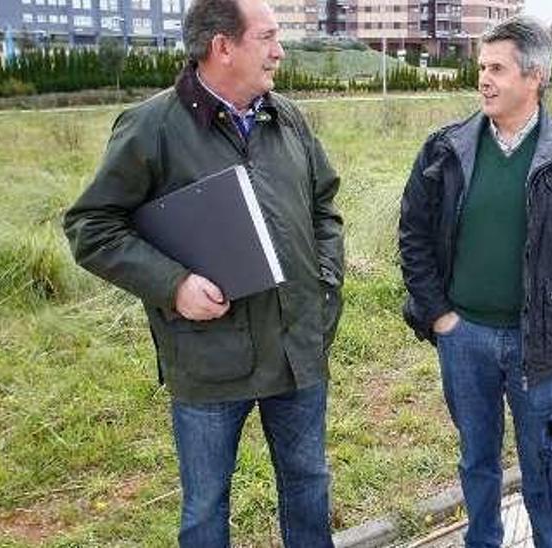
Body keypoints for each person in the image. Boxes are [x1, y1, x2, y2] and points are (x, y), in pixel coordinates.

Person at [61, 0, 343, 544]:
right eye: (267, 37)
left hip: (297, 350)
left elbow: (324, 207)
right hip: (210, 359)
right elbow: (92, 226)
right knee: (206, 507)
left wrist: (325, 283)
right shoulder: (152, 128)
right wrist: (173, 285)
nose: (279, 50)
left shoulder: (287, 118)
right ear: (223, 47)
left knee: (309, 484)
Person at [397, 15, 552, 548]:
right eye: (481, 67)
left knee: (546, 464)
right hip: (465, 339)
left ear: (534, 76)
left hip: (541, 345)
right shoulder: (445, 148)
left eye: (497, 68)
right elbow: (413, 234)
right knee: (476, 458)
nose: (484, 79)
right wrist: (439, 316)